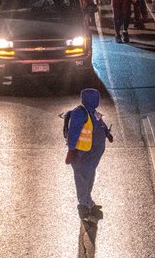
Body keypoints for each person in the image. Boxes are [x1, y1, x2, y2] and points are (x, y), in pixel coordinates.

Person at [65, 87, 113, 223]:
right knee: (82, 178)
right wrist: (71, 150)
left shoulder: (94, 112)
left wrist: (107, 134)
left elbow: (101, 124)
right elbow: (73, 133)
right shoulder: (80, 113)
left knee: (89, 177)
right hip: (82, 154)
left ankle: (88, 202)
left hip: (92, 155)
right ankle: (83, 205)